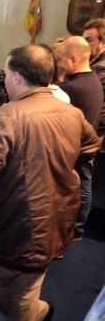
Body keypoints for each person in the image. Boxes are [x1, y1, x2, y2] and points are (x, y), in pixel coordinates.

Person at [0, 44, 100, 320]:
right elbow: (92, 145)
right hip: (56, 217)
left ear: (16, 77)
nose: (4, 79)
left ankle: (37, 313)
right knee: (27, 285)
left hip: (18, 224)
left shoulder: (8, 117)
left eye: (5, 72)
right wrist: (57, 166)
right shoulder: (70, 112)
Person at [56, 36, 104, 239]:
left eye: (60, 59)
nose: (58, 64)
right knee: (84, 184)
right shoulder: (93, 78)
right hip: (87, 144)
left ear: (74, 59)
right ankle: (79, 227)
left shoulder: (71, 89)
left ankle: (76, 228)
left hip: (76, 148)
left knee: (78, 187)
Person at [84, 18, 105, 145]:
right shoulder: (95, 60)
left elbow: (89, 95)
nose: (84, 44)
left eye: (89, 40)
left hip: (98, 129)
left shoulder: (101, 67)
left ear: (103, 41)